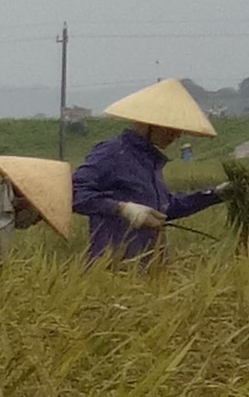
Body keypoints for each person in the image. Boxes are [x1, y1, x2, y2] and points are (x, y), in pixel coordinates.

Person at [70, 81, 231, 266]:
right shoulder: (112, 153)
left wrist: (215, 194)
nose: (176, 135)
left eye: (179, 130)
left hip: (150, 269)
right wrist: (123, 208)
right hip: (112, 270)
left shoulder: (150, 162)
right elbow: (74, 194)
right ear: (148, 124)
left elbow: (165, 208)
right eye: (170, 128)